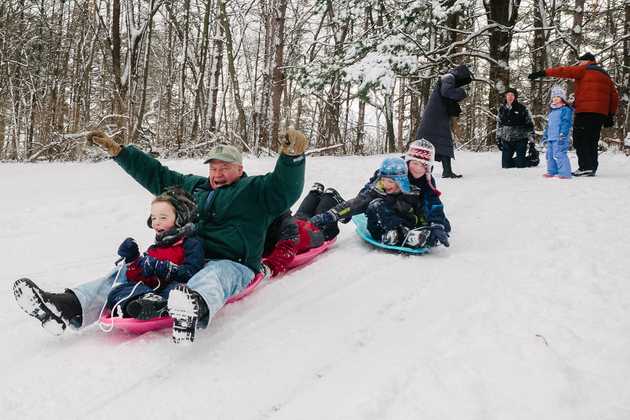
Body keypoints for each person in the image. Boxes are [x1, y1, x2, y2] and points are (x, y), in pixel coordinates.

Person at [13, 128, 307, 344]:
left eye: (225, 168)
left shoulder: (257, 191)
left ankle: (192, 309)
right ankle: (67, 306)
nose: (217, 173)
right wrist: (120, 152)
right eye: (214, 168)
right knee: (127, 272)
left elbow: (285, 189)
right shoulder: (194, 186)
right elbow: (156, 175)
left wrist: (291, 158)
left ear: (240, 169)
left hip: (233, 262)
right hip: (187, 256)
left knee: (215, 274)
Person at [105, 188, 205, 319]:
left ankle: (157, 306)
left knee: (177, 290)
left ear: (179, 219)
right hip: (150, 290)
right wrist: (132, 260)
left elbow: (192, 272)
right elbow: (139, 277)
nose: (156, 222)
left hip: (173, 288)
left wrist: (165, 268)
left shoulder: (191, 243)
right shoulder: (154, 248)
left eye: (163, 218)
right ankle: (138, 305)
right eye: (153, 218)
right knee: (116, 291)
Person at [310, 157, 450, 248]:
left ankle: (410, 235)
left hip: (405, 223)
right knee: (375, 205)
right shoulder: (378, 191)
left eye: (390, 181)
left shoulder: (412, 193)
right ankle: (392, 236)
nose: (385, 184)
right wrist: (329, 216)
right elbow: (355, 204)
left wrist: (437, 226)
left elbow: (426, 209)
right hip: (381, 227)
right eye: (383, 180)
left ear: (400, 181)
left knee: (415, 216)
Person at [528, 52, 619, 176]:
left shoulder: (584, 69)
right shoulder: (605, 75)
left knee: (580, 139)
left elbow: (564, 71)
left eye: (581, 61)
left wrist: (543, 73)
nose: (579, 63)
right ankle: (591, 167)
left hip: (585, 111)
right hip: (599, 113)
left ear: (586, 61)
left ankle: (585, 167)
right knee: (592, 139)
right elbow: (614, 96)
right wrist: (610, 114)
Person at [262, 184, 345, 277]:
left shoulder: (282, 233)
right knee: (303, 213)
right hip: (296, 222)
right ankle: (315, 193)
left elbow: (287, 249)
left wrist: (270, 267)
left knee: (323, 223)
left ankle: (331, 197)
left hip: (309, 233)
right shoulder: (274, 214)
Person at [416, 64, 473, 178]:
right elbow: (446, 92)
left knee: (438, 141)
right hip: (436, 116)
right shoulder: (449, 77)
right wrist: (462, 92)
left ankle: (439, 171)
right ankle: (425, 171)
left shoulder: (448, 78)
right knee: (436, 141)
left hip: (437, 116)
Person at [495, 88, 535, 168]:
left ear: (515, 97)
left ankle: (532, 160)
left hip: (520, 139)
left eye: (512, 95)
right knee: (506, 166)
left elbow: (530, 125)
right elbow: (499, 125)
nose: (510, 97)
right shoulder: (502, 109)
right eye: (508, 95)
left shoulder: (522, 108)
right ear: (505, 96)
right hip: (507, 140)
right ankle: (518, 160)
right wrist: (498, 139)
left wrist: (531, 142)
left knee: (520, 165)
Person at [541, 86, 574, 179]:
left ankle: (565, 173)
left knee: (559, 153)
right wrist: (545, 135)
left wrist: (563, 133)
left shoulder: (565, 110)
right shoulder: (552, 111)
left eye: (557, 97)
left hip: (560, 137)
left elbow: (566, 122)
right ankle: (552, 171)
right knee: (550, 155)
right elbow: (549, 125)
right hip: (551, 137)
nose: (555, 98)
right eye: (554, 97)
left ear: (562, 98)